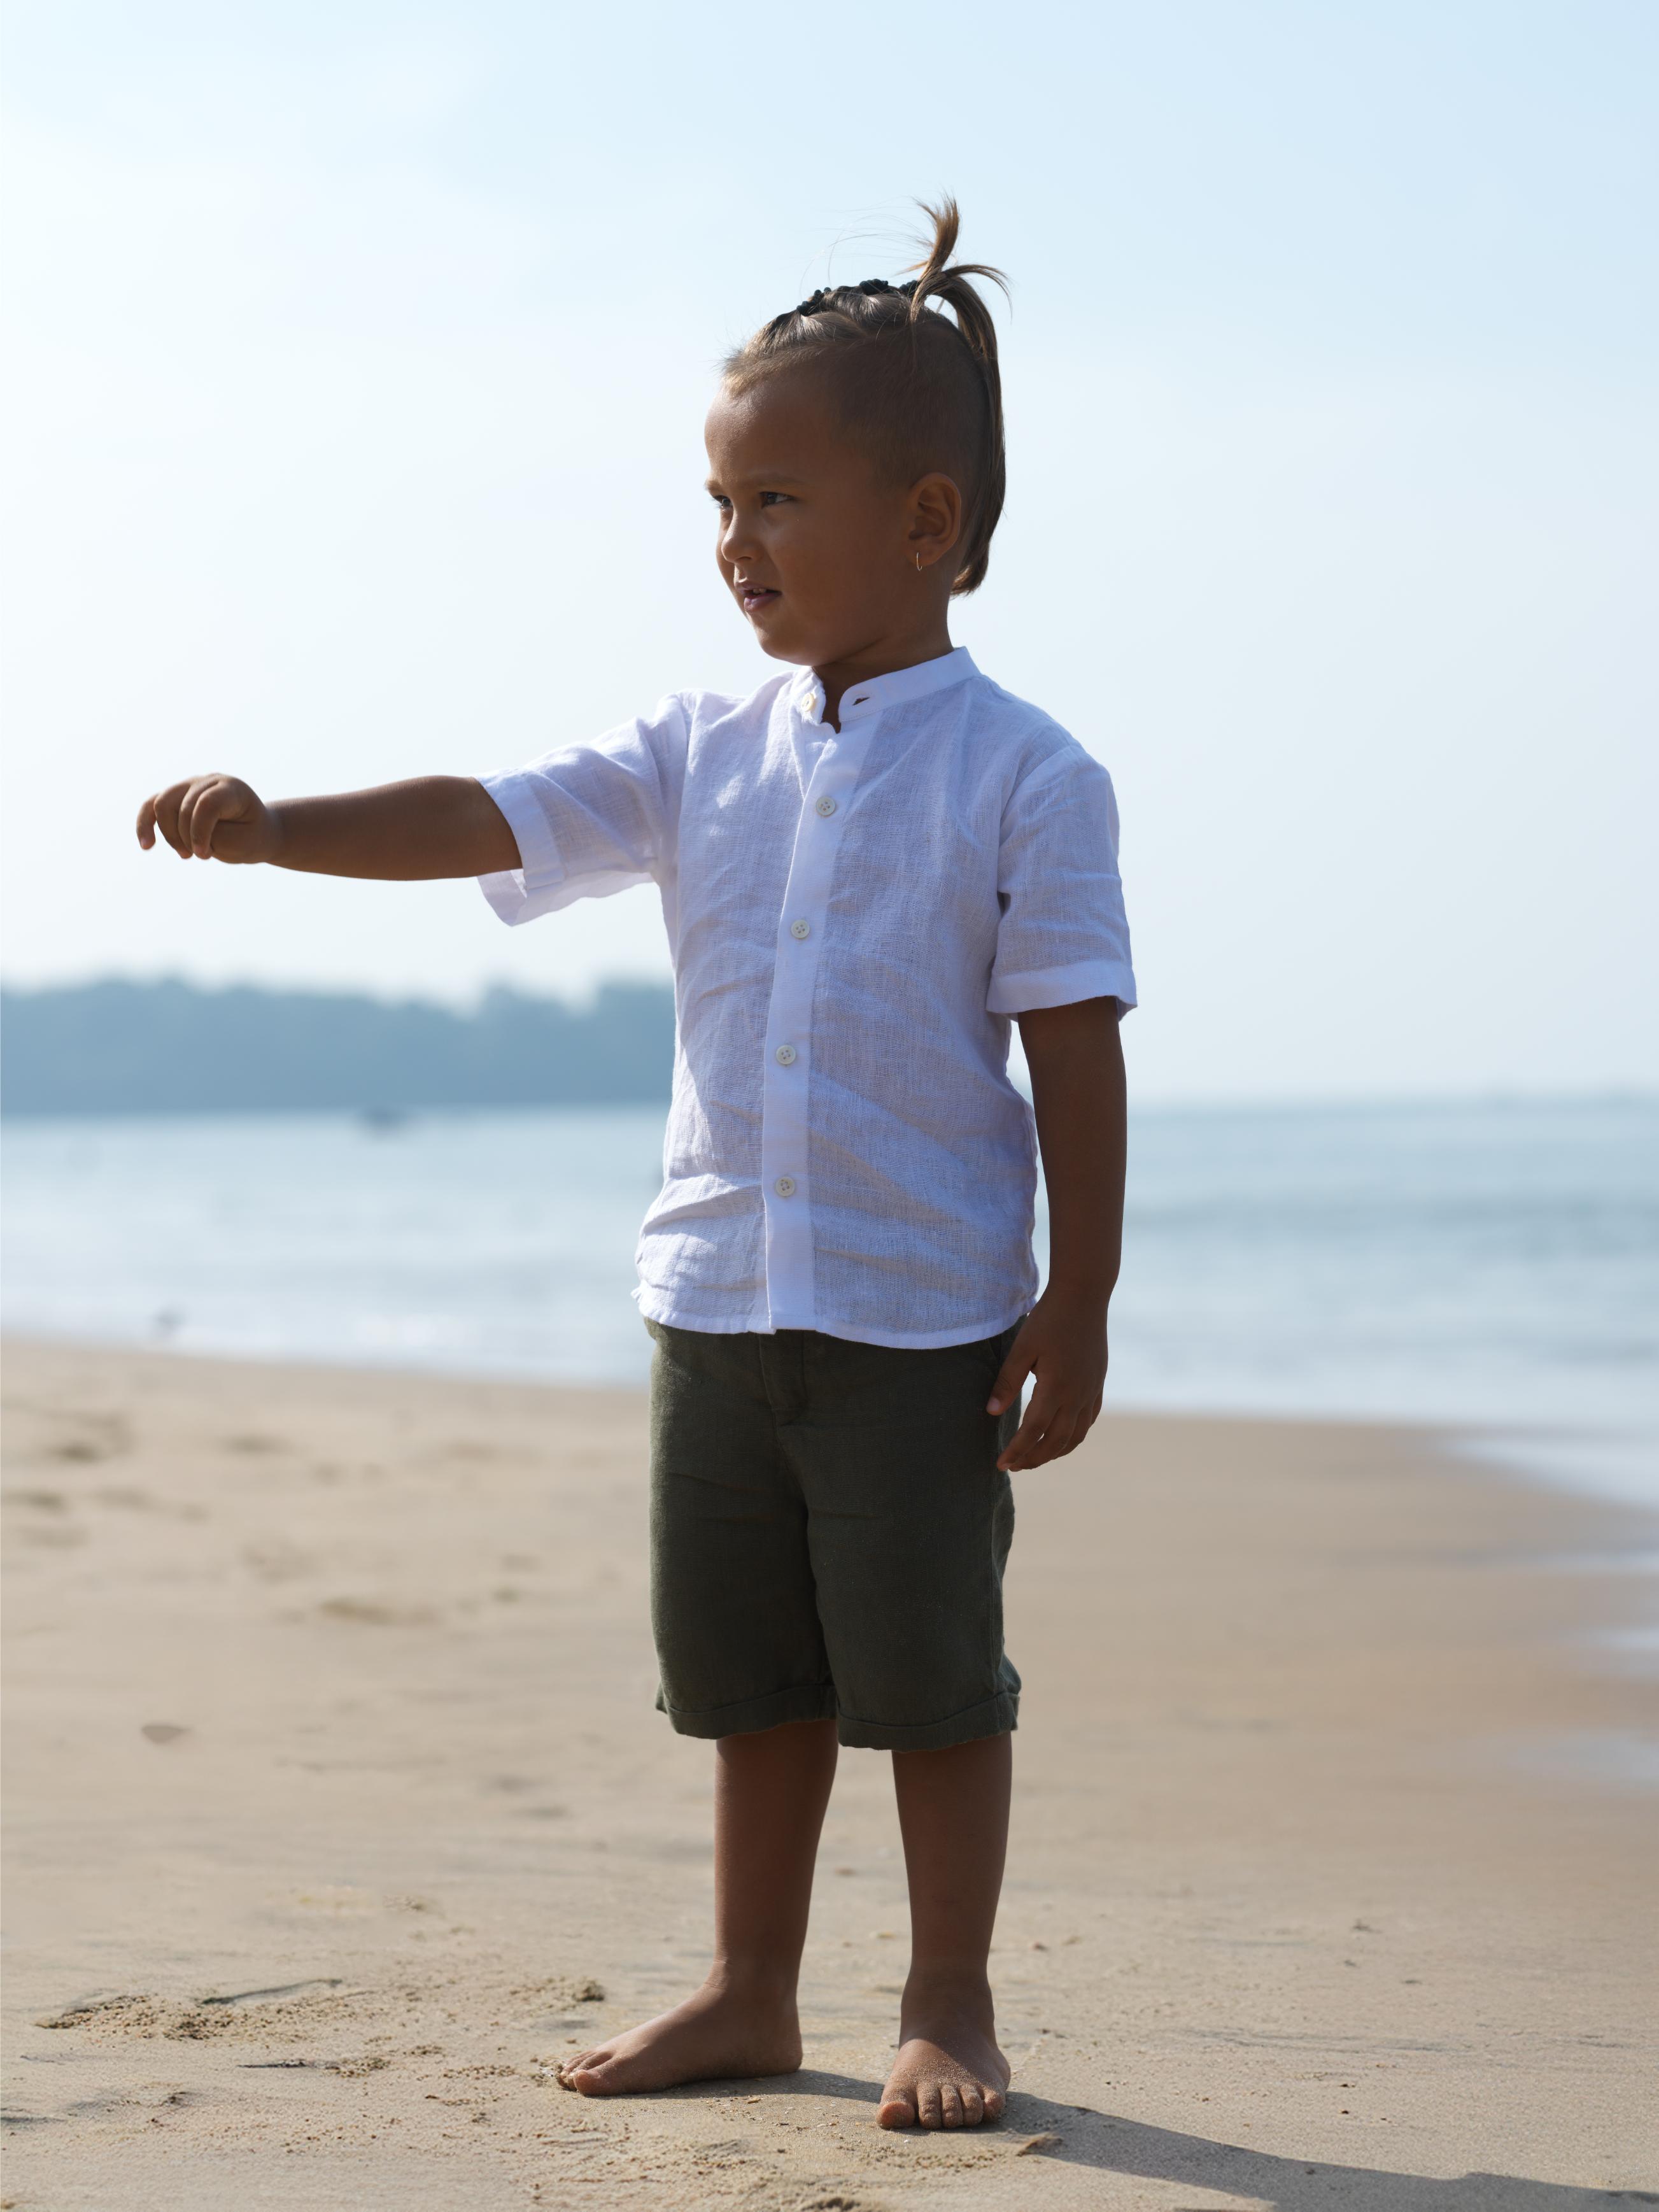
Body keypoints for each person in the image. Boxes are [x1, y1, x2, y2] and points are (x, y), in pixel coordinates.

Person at [135, 199, 1136, 2132]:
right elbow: (492, 810)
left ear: (925, 524)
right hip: (711, 1301)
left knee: (931, 1678)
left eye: (775, 500)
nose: (732, 544)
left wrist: (1076, 1302)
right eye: (719, 502)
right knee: (748, 1679)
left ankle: (948, 1995)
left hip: (920, 1313)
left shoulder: (1027, 772)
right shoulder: (700, 747)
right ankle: (752, 1986)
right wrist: (280, 827)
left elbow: (1075, 1045)